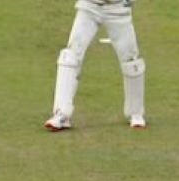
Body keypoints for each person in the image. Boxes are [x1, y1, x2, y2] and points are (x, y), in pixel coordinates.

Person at [46, 0, 148, 132]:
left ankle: (135, 113)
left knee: (131, 61)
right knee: (70, 56)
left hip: (118, 9)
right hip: (89, 6)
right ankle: (61, 114)